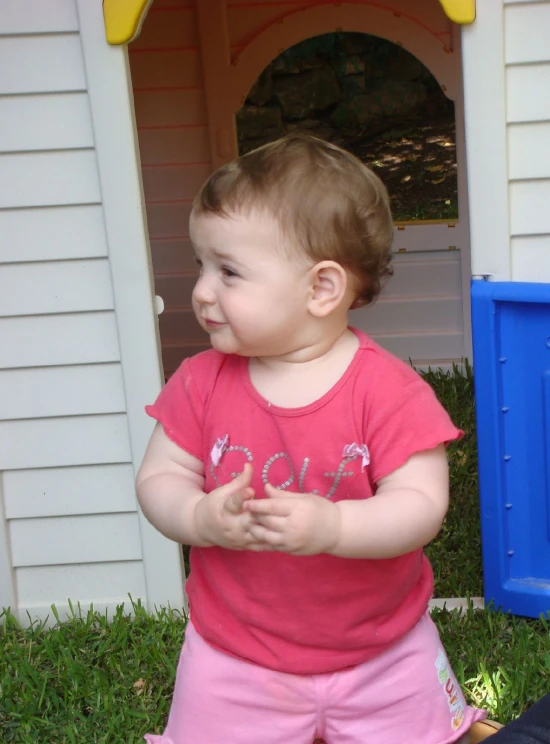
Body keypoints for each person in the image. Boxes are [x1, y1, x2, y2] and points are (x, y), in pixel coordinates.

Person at [136, 134, 486, 743]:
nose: (201, 290)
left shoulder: (388, 392)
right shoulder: (200, 383)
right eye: (202, 265)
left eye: (229, 271)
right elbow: (158, 477)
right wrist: (197, 515)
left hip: (383, 656)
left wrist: (335, 529)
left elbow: (421, 505)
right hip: (233, 660)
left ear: (321, 289)